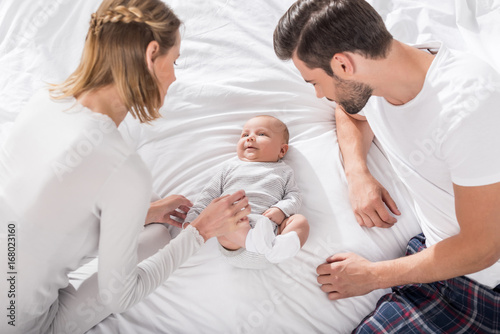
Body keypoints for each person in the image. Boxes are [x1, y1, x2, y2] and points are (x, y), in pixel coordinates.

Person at [0, 1, 251, 333]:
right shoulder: (124, 171)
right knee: (162, 237)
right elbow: (121, 295)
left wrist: (145, 210)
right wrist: (200, 231)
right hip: (22, 323)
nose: (175, 76)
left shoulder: (43, 100)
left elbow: (46, 213)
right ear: (151, 55)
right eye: (174, 61)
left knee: (152, 226)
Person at [273, 0, 500, 332]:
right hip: (433, 258)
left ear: (343, 64)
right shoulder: (380, 77)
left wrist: (372, 276)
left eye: (315, 82)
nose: (320, 95)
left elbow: (483, 248)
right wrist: (357, 173)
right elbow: (348, 111)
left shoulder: (468, 107)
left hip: (483, 286)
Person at [185, 115, 309, 268]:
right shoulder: (229, 168)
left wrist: (281, 210)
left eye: (261, 134)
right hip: (235, 243)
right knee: (226, 220)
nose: (250, 138)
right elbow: (208, 196)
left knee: (300, 221)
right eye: (245, 135)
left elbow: (294, 195)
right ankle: (250, 240)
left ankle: (281, 249)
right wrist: (192, 221)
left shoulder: (283, 171)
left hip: (271, 237)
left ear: (282, 150)